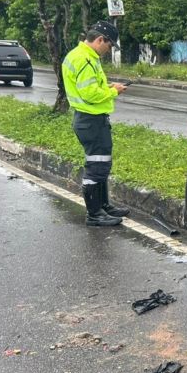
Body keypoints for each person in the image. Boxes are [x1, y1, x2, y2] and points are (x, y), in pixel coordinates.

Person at [62, 20, 129, 226]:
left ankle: (103, 206)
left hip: (90, 120)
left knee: (101, 164)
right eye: (109, 45)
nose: (109, 50)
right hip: (90, 120)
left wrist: (108, 86)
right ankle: (94, 214)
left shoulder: (82, 56)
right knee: (97, 166)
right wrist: (113, 91)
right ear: (100, 40)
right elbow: (90, 94)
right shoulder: (85, 60)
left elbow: (89, 86)